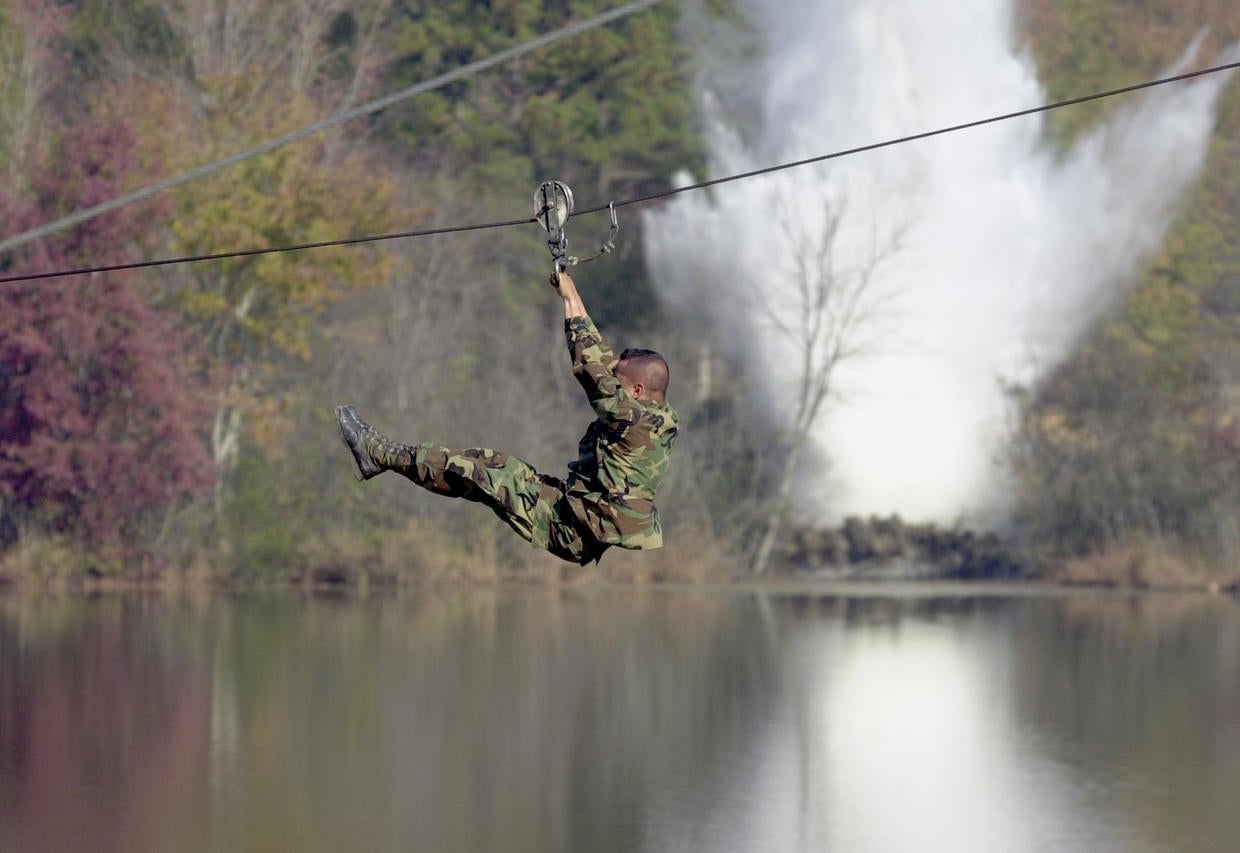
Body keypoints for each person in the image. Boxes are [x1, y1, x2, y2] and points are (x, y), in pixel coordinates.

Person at [334, 271, 679, 565]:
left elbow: (591, 369)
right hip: (571, 512)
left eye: (619, 378)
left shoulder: (633, 421)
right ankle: (383, 459)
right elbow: (602, 362)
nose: (611, 376)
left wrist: (571, 297)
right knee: (485, 464)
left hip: (571, 529)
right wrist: (569, 295)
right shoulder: (654, 417)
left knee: (475, 471)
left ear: (635, 390)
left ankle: (378, 454)